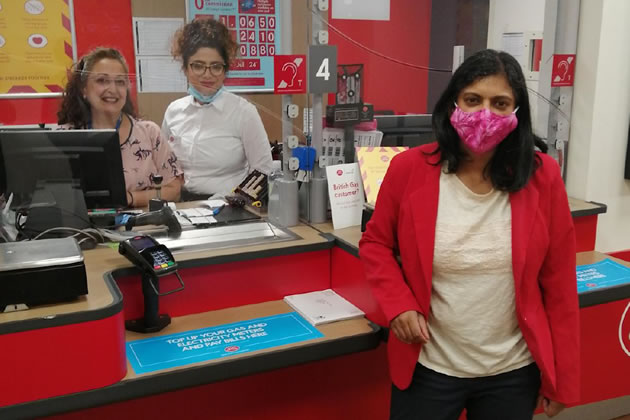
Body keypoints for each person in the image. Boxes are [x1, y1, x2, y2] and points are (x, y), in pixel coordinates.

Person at [359, 49, 579, 420]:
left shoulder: (543, 177)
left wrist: (564, 379)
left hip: (512, 371)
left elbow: (559, 285)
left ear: (517, 113)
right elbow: (376, 243)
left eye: (500, 103)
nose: (485, 114)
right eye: (473, 100)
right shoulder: (408, 169)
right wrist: (398, 305)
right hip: (428, 366)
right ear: (452, 104)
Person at [162, 18, 273, 200]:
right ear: (185, 68)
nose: (207, 74)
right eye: (198, 66)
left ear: (225, 70)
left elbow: (263, 171)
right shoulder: (174, 111)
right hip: (181, 204)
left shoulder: (243, 112)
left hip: (230, 205)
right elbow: (163, 164)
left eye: (216, 67)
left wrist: (233, 201)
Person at [58, 47, 183, 208]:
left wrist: (130, 198)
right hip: (83, 228)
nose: (113, 89)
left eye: (120, 82)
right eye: (102, 80)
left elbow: (174, 190)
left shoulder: (150, 133)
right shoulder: (65, 136)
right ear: (84, 89)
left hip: (142, 228)